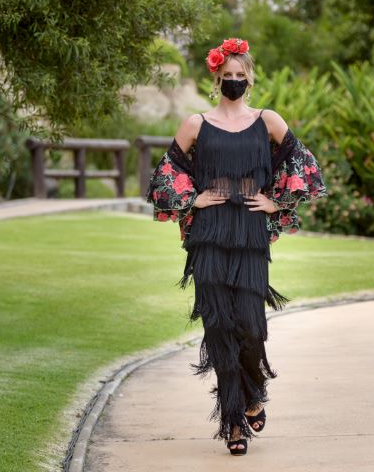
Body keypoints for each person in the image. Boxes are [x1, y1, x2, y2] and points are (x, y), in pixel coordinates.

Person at [145, 37, 328, 456]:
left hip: (249, 234)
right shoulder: (196, 124)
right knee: (218, 326)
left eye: (239, 75)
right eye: (226, 75)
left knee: (248, 323)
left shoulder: (267, 121)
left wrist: (275, 202)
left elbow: (303, 163)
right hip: (209, 234)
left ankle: (253, 392)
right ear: (216, 78)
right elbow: (165, 174)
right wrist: (192, 200)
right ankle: (232, 423)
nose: (233, 81)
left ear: (250, 79)